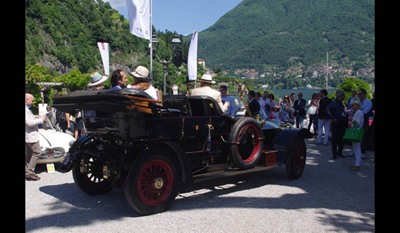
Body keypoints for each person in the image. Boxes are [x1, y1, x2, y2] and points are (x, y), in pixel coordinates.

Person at [25, 93, 47, 181]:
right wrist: (41, 120)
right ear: (27, 99)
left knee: (29, 153)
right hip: (30, 136)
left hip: (29, 135)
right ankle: (30, 172)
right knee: (37, 152)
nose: (33, 102)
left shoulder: (27, 110)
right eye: (32, 100)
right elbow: (29, 123)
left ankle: (27, 171)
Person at [326, 90, 347, 159]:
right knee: (334, 138)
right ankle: (334, 153)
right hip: (336, 121)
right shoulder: (333, 103)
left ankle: (339, 152)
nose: (343, 97)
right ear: (339, 96)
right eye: (342, 96)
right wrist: (332, 117)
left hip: (342, 121)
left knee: (342, 138)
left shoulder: (342, 104)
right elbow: (327, 110)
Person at [349, 100, 364, 171]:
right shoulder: (358, 112)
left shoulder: (358, 112)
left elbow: (357, 122)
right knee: (356, 148)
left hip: (356, 131)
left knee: (357, 148)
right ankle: (356, 163)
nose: (352, 106)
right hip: (356, 131)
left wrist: (351, 120)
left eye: (353, 105)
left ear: (357, 105)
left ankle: (357, 164)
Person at [358, 88, 372, 157]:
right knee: (356, 135)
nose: (359, 95)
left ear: (364, 94)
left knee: (364, 135)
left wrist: (358, 111)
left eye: (360, 94)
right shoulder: (357, 101)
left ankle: (363, 151)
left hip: (364, 120)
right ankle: (356, 150)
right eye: (358, 94)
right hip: (357, 119)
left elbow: (365, 111)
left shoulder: (368, 102)